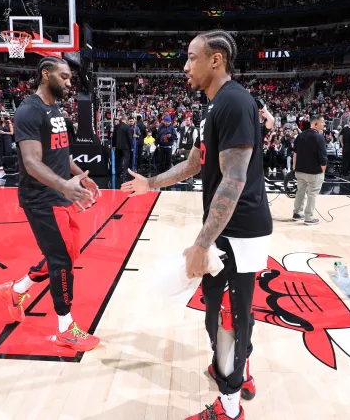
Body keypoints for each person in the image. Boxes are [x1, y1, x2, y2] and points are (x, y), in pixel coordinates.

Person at [122, 30, 271, 420]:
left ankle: (230, 406)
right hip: (222, 231)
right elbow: (193, 164)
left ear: (216, 59)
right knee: (213, 310)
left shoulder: (236, 102)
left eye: (191, 58)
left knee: (233, 316)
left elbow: (234, 178)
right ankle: (237, 369)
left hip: (241, 231)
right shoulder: (210, 108)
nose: (185, 67)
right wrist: (150, 183)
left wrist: (203, 243)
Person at [0, 56, 102, 352]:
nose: (70, 83)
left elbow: (59, 152)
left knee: (69, 255)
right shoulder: (29, 111)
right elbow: (31, 162)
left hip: (61, 194)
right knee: (61, 262)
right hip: (42, 199)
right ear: (46, 75)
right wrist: (63, 186)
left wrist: (78, 175)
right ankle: (65, 329)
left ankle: (16, 290)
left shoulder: (54, 108)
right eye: (65, 77)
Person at [292, 114, 327, 225]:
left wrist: (294, 169)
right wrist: (323, 171)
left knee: (300, 192)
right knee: (312, 194)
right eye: (322, 122)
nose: (324, 124)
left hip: (300, 171)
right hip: (314, 172)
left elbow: (295, 154)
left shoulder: (300, 136)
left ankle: (297, 213)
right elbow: (323, 158)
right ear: (315, 124)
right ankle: (309, 218)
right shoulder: (319, 137)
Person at [112, 115, 134, 181]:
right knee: (126, 160)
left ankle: (118, 173)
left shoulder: (116, 126)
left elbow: (114, 137)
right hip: (126, 147)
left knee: (118, 160)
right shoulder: (127, 127)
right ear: (125, 120)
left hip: (118, 146)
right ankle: (124, 174)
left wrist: (113, 145)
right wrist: (132, 146)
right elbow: (130, 138)